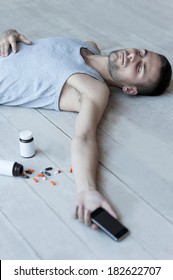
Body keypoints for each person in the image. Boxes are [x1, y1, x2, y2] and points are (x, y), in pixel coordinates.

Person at [0, 29, 172, 229]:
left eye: (139, 67)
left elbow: (84, 137)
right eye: (141, 53)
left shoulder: (93, 89)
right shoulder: (89, 46)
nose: (133, 56)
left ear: (130, 89)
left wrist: (87, 190)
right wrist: (8, 33)